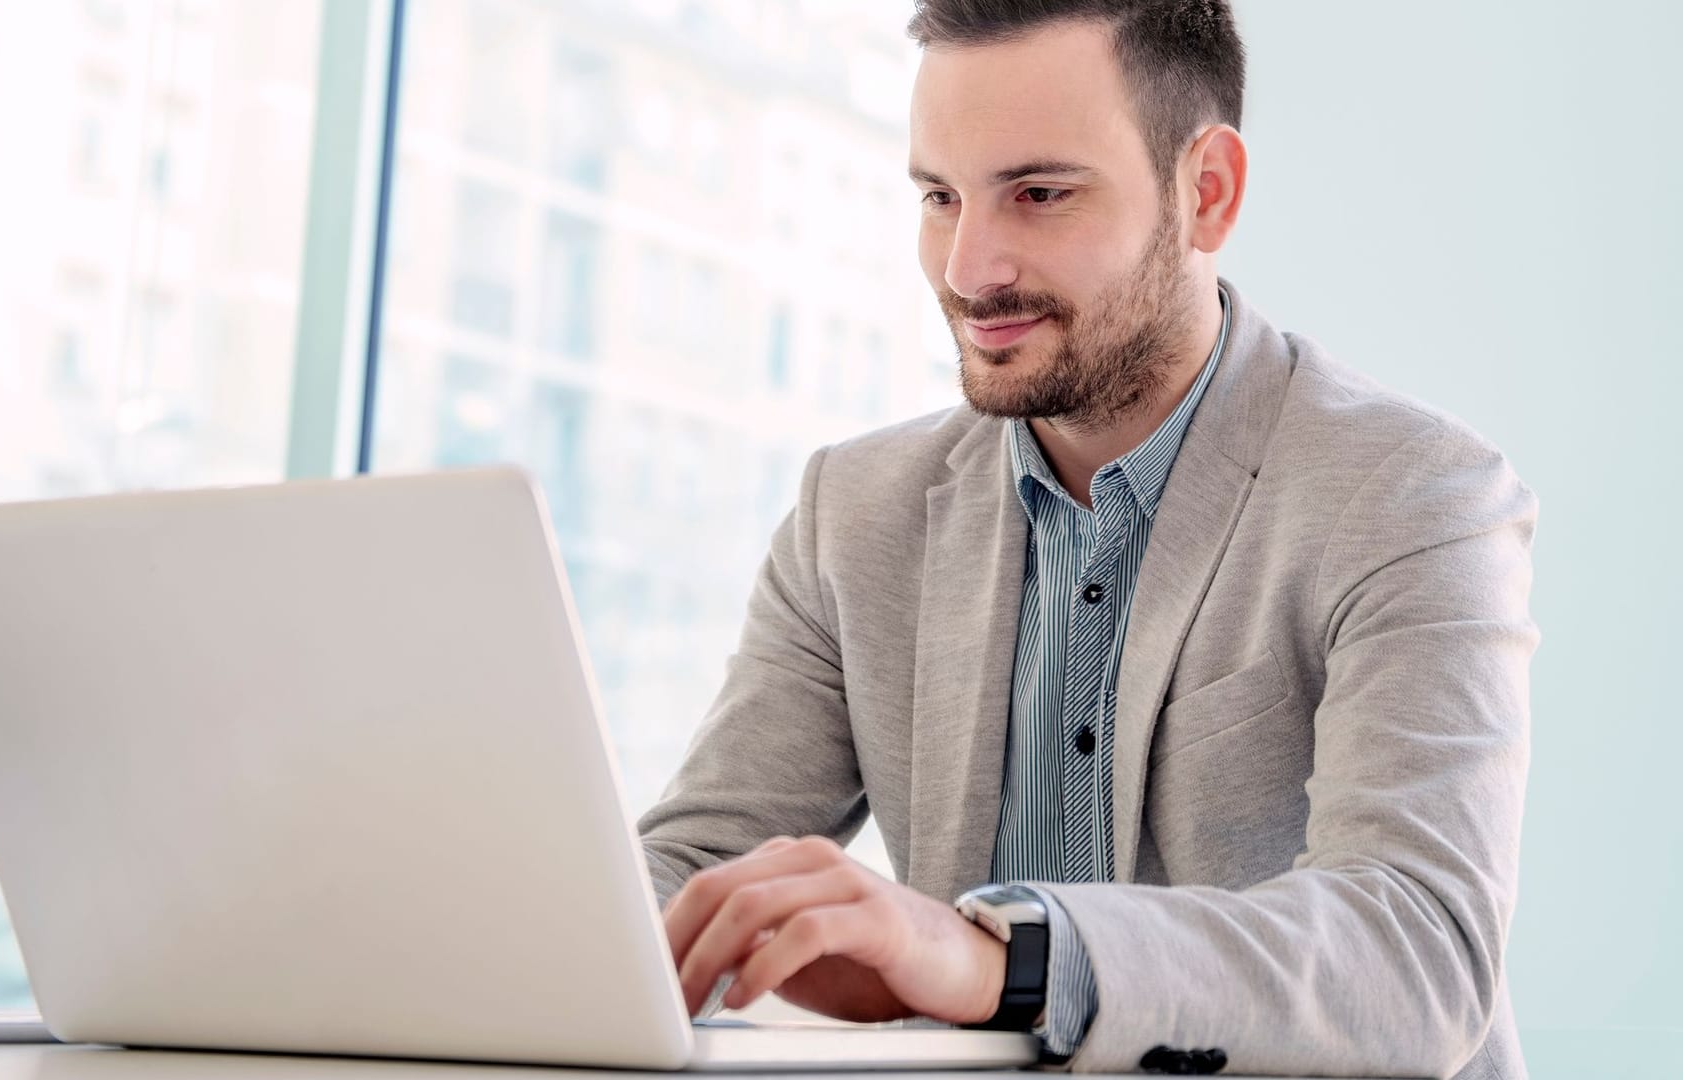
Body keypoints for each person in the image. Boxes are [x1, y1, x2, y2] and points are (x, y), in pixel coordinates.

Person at [635, 2, 1537, 1078]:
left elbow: (1416, 955)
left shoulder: (1413, 495)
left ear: (1207, 192)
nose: (970, 268)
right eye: (939, 197)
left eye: (1040, 195)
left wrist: (996, 958)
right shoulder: (855, 509)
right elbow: (682, 873)